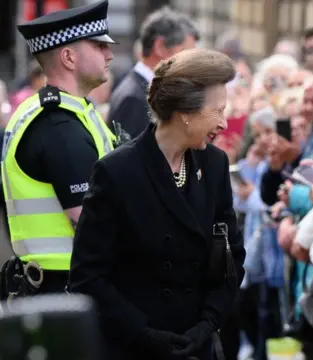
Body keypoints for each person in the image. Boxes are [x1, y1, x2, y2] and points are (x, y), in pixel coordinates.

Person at [68, 48, 246, 360]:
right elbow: (87, 276)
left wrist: (207, 324)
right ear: (185, 112)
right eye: (217, 111)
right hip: (134, 347)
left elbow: (233, 259)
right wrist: (144, 333)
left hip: (197, 345)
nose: (223, 121)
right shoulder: (117, 171)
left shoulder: (214, 164)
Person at [0, 0, 115, 299]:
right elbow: (91, 223)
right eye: (99, 46)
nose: (110, 54)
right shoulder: (59, 127)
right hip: (65, 290)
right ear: (68, 57)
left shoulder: (70, 113)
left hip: (60, 285)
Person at [108, 6, 197, 141]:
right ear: (160, 46)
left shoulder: (143, 91)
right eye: (185, 53)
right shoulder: (133, 98)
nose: (191, 63)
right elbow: (129, 157)